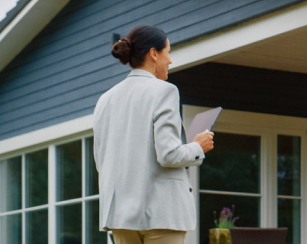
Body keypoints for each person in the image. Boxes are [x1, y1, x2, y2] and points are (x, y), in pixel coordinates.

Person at [92, 25, 216, 244]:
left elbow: (101, 162)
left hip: (120, 217)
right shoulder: (165, 90)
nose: (170, 60)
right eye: (168, 52)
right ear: (153, 53)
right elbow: (169, 155)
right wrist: (198, 146)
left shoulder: (105, 100)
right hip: (161, 215)